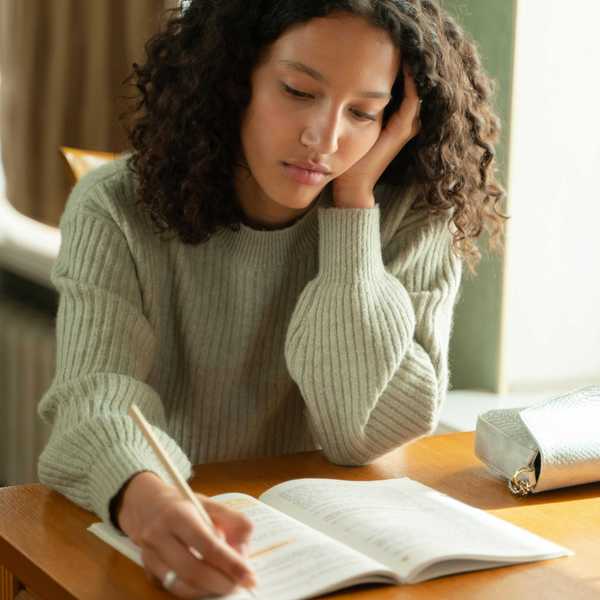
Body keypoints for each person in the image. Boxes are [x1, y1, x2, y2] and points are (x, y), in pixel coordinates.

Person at [37, 0, 506, 597]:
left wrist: (353, 207)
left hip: (334, 563)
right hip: (160, 540)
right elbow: (93, 394)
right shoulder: (116, 207)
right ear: (236, 79)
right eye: (297, 91)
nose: (324, 139)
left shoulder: (410, 211)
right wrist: (146, 498)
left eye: (364, 112)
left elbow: (358, 435)